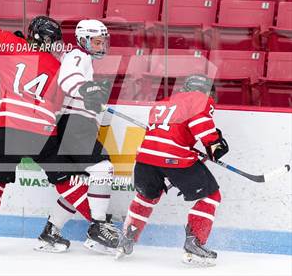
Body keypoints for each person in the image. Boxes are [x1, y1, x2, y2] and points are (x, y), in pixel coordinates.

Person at [0, 16, 69, 255]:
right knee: (65, 179)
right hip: (42, 133)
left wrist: (12, 39)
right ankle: (98, 225)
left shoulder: (11, 48)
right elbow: (58, 104)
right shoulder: (58, 67)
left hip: (10, 129)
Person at [116, 74, 229, 266]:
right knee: (211, 196)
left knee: (146, 197)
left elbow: (165, 136)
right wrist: (216, 146)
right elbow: (205, 133)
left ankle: (127, 238)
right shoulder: (199, 100)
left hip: (145, 159)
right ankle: (195, 243)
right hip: (174, 159)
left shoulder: (164, 102)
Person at [35, 20, 120, 254]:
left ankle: (50, 233)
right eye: (96, 41)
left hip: (75, 125)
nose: (101, 45)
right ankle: (99, 228)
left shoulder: (84, 59)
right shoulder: (77, 55)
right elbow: (68, 79)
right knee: (103, 169)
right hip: (75, 125)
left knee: (80, 182)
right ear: (83, 40)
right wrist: (89, 90)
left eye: (103, 41)